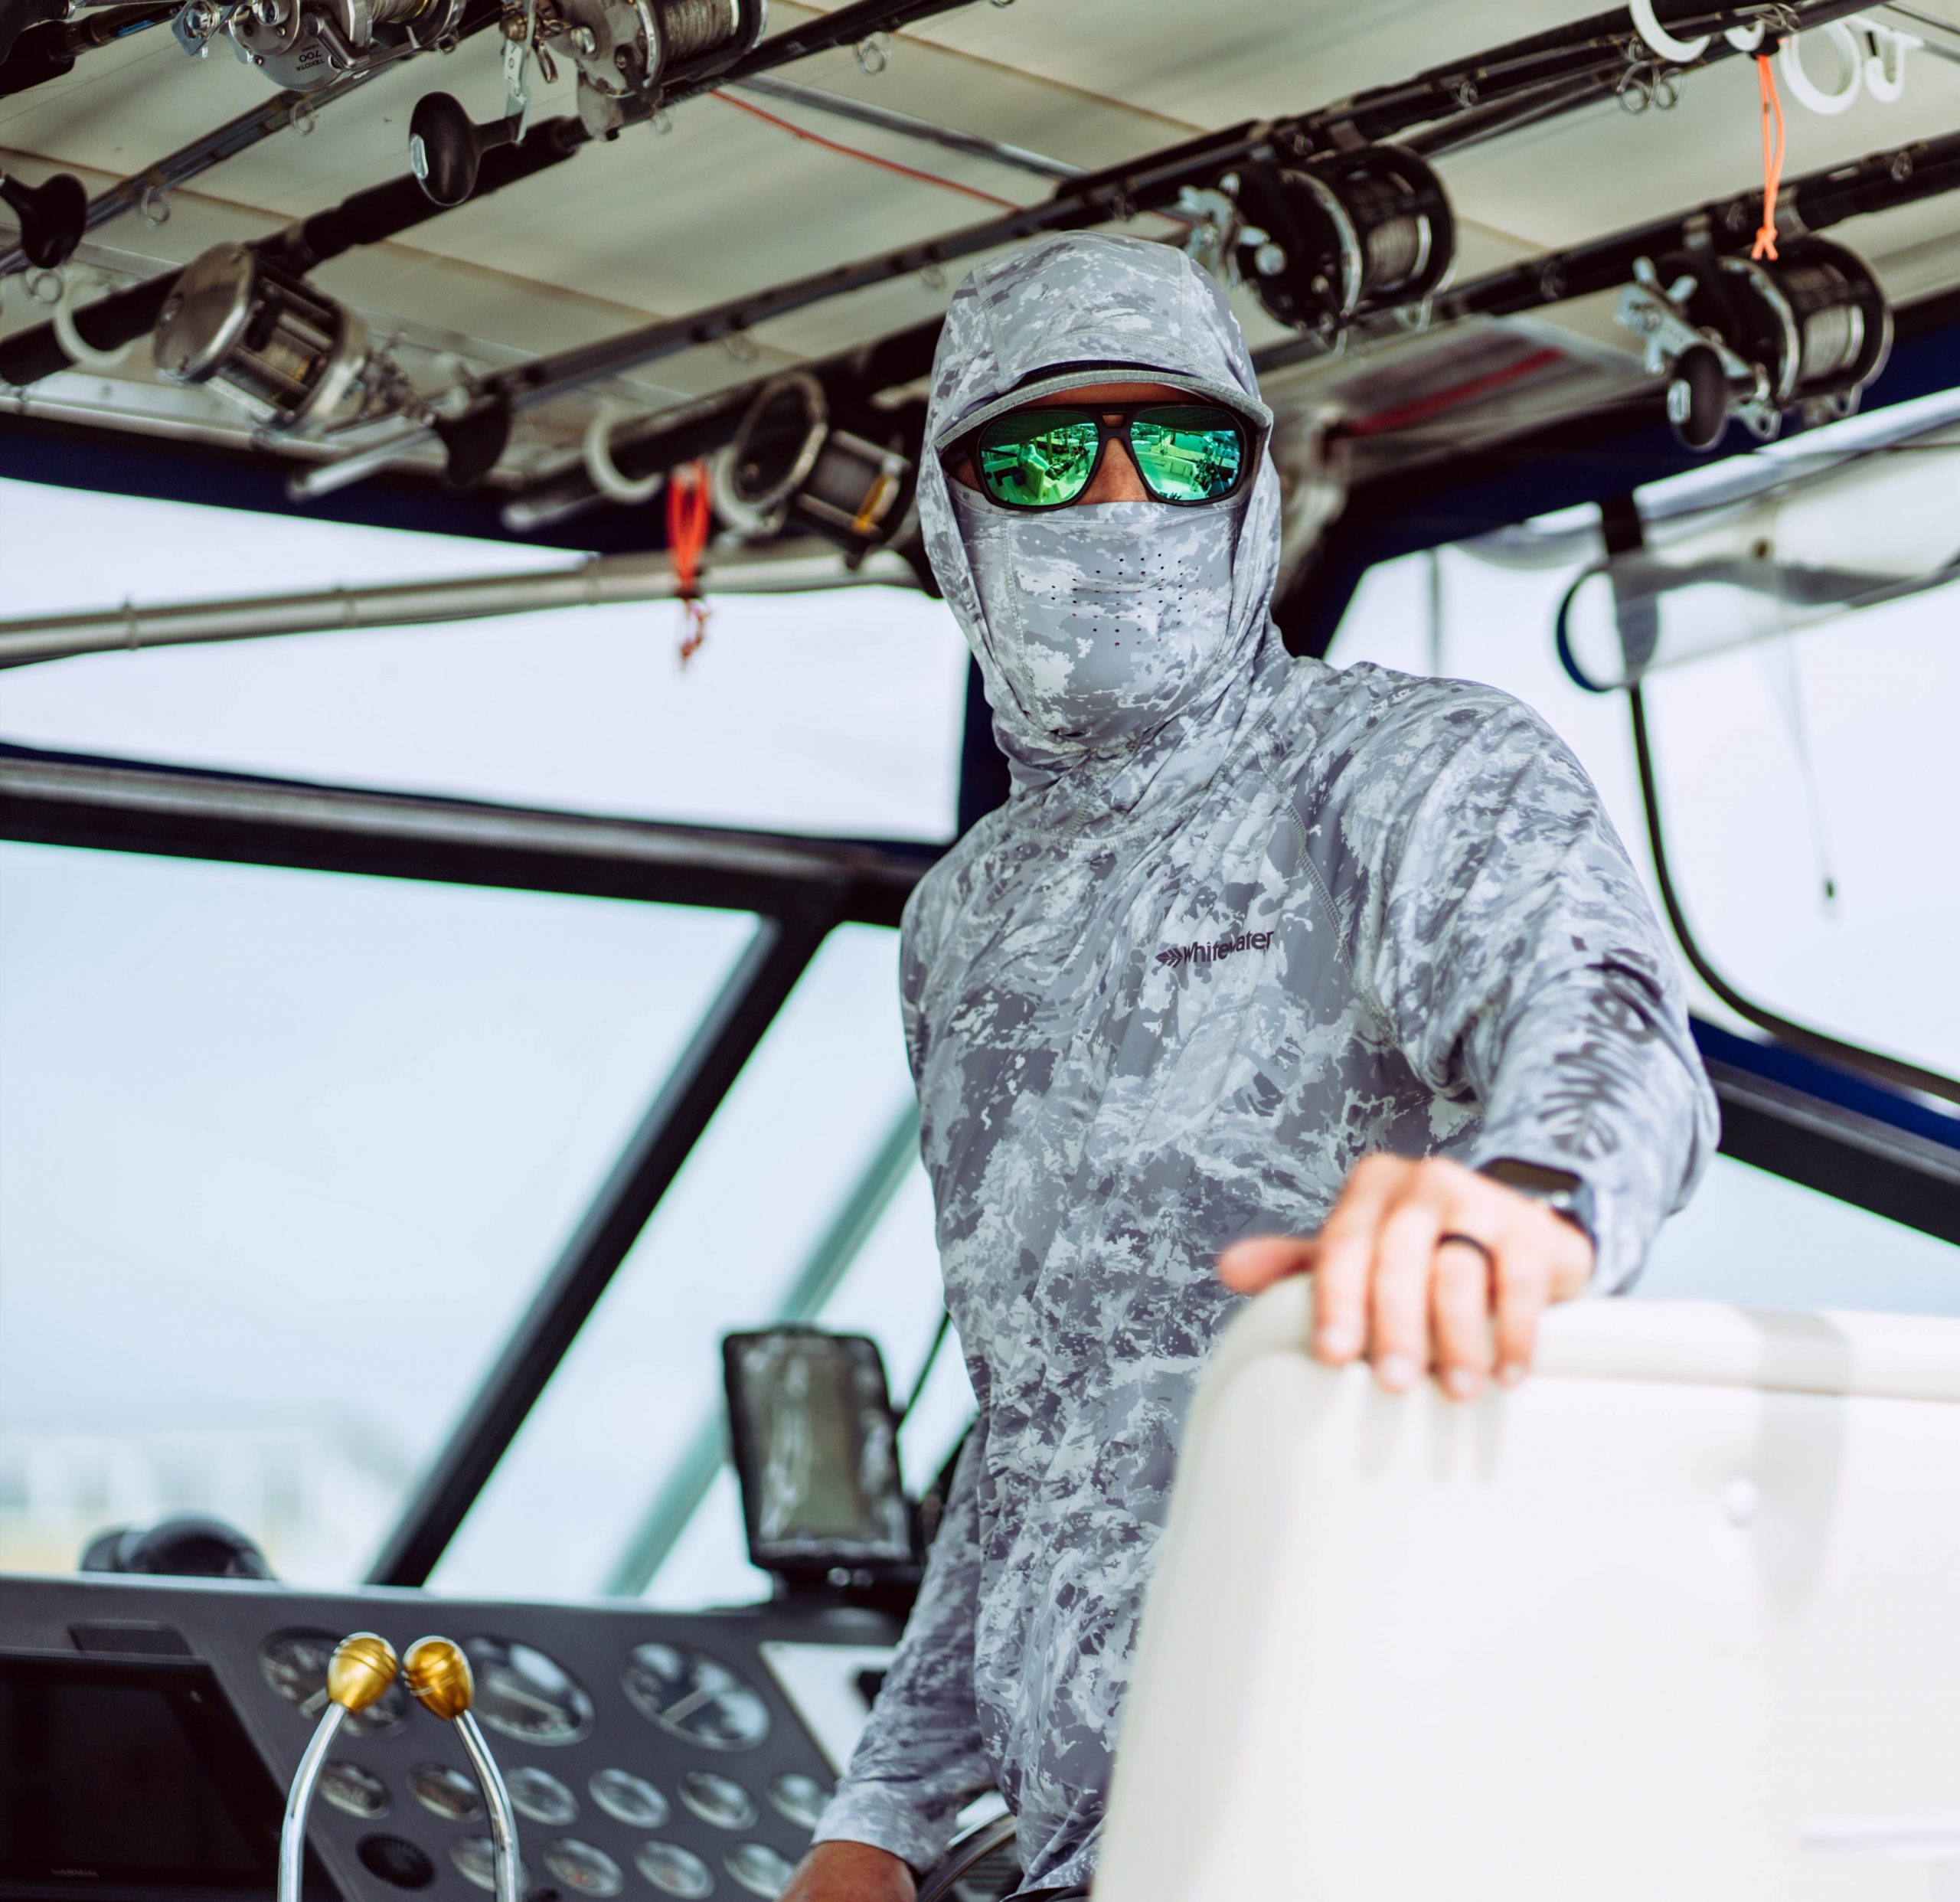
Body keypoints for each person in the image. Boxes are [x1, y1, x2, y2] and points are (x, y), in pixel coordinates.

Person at [783, 231, 1717, 1902]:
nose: (1121, 499)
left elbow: (1605, 1029)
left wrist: (1522, 1204)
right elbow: (1037, 1421)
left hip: (1400, 1812)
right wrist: (881, 1815)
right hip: (1096, 1851)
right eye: (1046, 458)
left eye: (1182, 447)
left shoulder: (1410, 768)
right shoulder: (957, 925)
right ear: (954, 518)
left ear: (1250, 491)